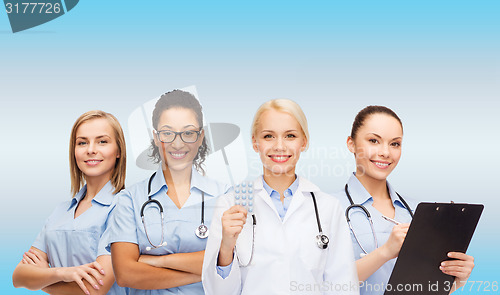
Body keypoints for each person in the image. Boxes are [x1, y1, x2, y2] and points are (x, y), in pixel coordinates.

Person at [202, 99, 359, 295]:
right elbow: (217, 292)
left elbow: (343, 287)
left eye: (290, 136)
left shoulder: (328, 208)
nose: (279, 146)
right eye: (268, 136)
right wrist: (226, 246)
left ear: (304, 142)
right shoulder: (230, 204)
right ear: (255, 143)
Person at [337, 105, 475, 294]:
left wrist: (456, 280)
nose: (385, 152)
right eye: (374, 140)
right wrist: (384, 252)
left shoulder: (418, 211)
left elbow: (424, 286)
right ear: (351, 143)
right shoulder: (326, 207)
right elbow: (323, 283)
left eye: (395, 143)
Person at [106, 90, 229, 295]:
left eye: (188, 133)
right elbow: (126, 274)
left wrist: (159, 260)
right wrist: (205, 270)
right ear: (155, 137)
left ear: (201, 137)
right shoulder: (129, 200)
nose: (178, 143)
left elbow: (231, 260)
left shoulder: (225, 195)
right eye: (167, 133)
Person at [12, 110, 128, 295]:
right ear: (74, 151)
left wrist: (42, 279)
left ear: (119, 151)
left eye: (102, 141)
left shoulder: (124, 208)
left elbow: (95, 287)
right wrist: (63, 273)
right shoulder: (60, 212)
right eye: (82, 142)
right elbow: (18, 277)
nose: (90, 149)